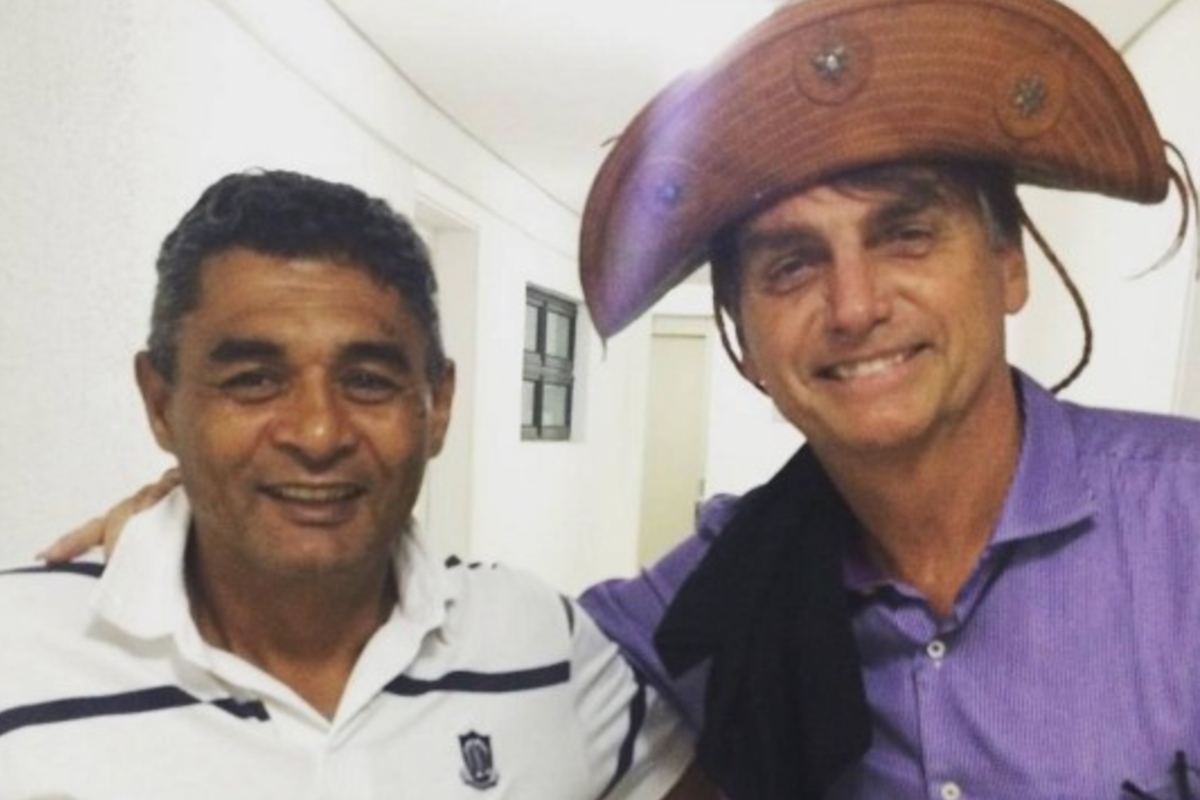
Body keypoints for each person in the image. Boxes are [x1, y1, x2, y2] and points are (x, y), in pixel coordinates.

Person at [574, 0, 1200, 798]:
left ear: (1008, 264)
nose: (855, 307)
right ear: (745, 341)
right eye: (792, 265)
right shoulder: (718, 587)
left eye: (906, 235)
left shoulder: (1183, 524)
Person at [0, 170, 705, 799]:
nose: (317, 433)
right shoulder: (19, 654)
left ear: (438, 406)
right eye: (253, 381)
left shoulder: (542, 644)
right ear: (161, 403)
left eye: (368, 381)